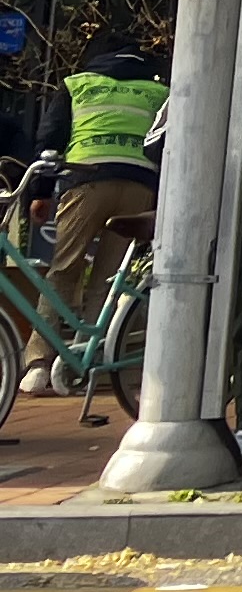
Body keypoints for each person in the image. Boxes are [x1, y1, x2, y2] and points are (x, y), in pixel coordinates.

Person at [44, 26, 166, 374]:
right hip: (140, 185)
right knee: (108, 277)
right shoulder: (157, 89)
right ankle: (92, 358)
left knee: (64, 270)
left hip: (86, 180)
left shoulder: (77, 83)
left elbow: (50, 139)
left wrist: (38, 193)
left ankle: (39, 361)